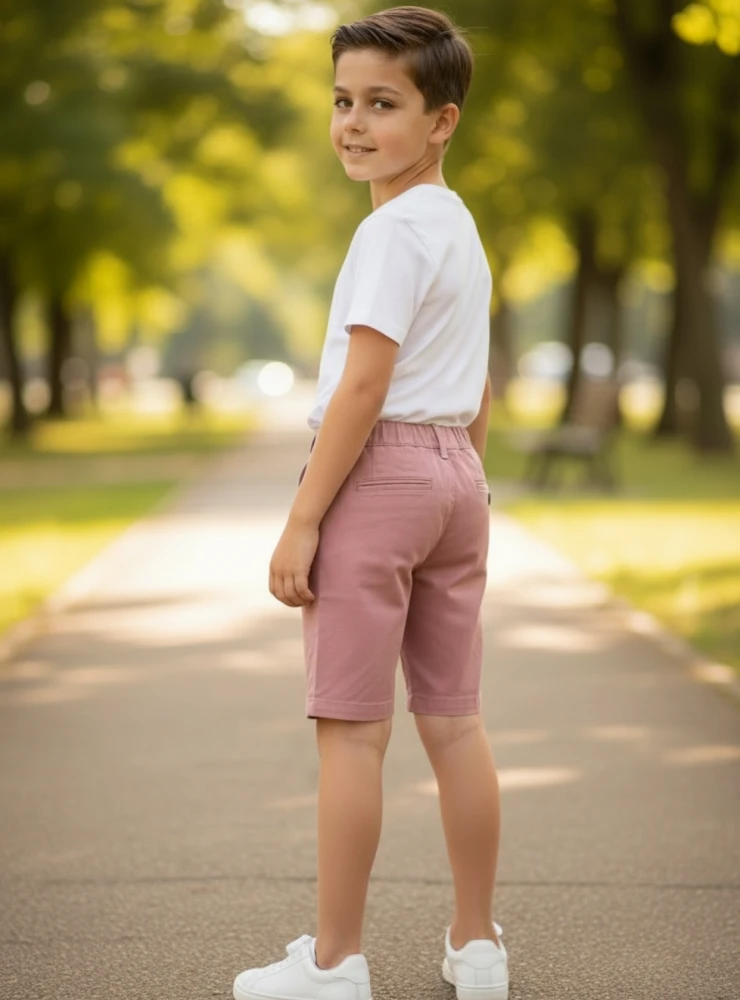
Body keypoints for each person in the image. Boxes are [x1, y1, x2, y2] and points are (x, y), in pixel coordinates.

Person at [233, 7, 507, 1000]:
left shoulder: (390, 231)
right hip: (452, 478)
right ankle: (476, 947)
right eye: (342, 101)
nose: (352, 123)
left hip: (381, 474)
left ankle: (336, 963)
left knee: (351, 730)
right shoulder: (460, 227)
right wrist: (467, 476)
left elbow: (361, 384)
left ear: (441, 120)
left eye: (381, 104)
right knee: (455, 719)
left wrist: (303, 516)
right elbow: (476, 382)